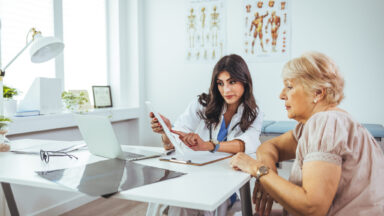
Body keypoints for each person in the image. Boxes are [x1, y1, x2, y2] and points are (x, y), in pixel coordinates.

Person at [230, 51, 384, 216]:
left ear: (317, 92)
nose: (282, 95)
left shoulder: (326, 123)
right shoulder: (314, 125)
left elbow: (313, 208)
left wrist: (258, 170)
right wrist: (269, 176)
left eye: (289, 86)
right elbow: (269, 146)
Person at [149, 54, 263, 216]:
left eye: (232, 82)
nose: (226, 90)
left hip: (227, 179)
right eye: (220, 83)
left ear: (244, 80)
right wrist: (166, 131)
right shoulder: (201, 104)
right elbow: (177, 134)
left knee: (191, 203)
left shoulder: (254, 113)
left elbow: (247, 143)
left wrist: (209, 145)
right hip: (197, 173)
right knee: (171, 200)